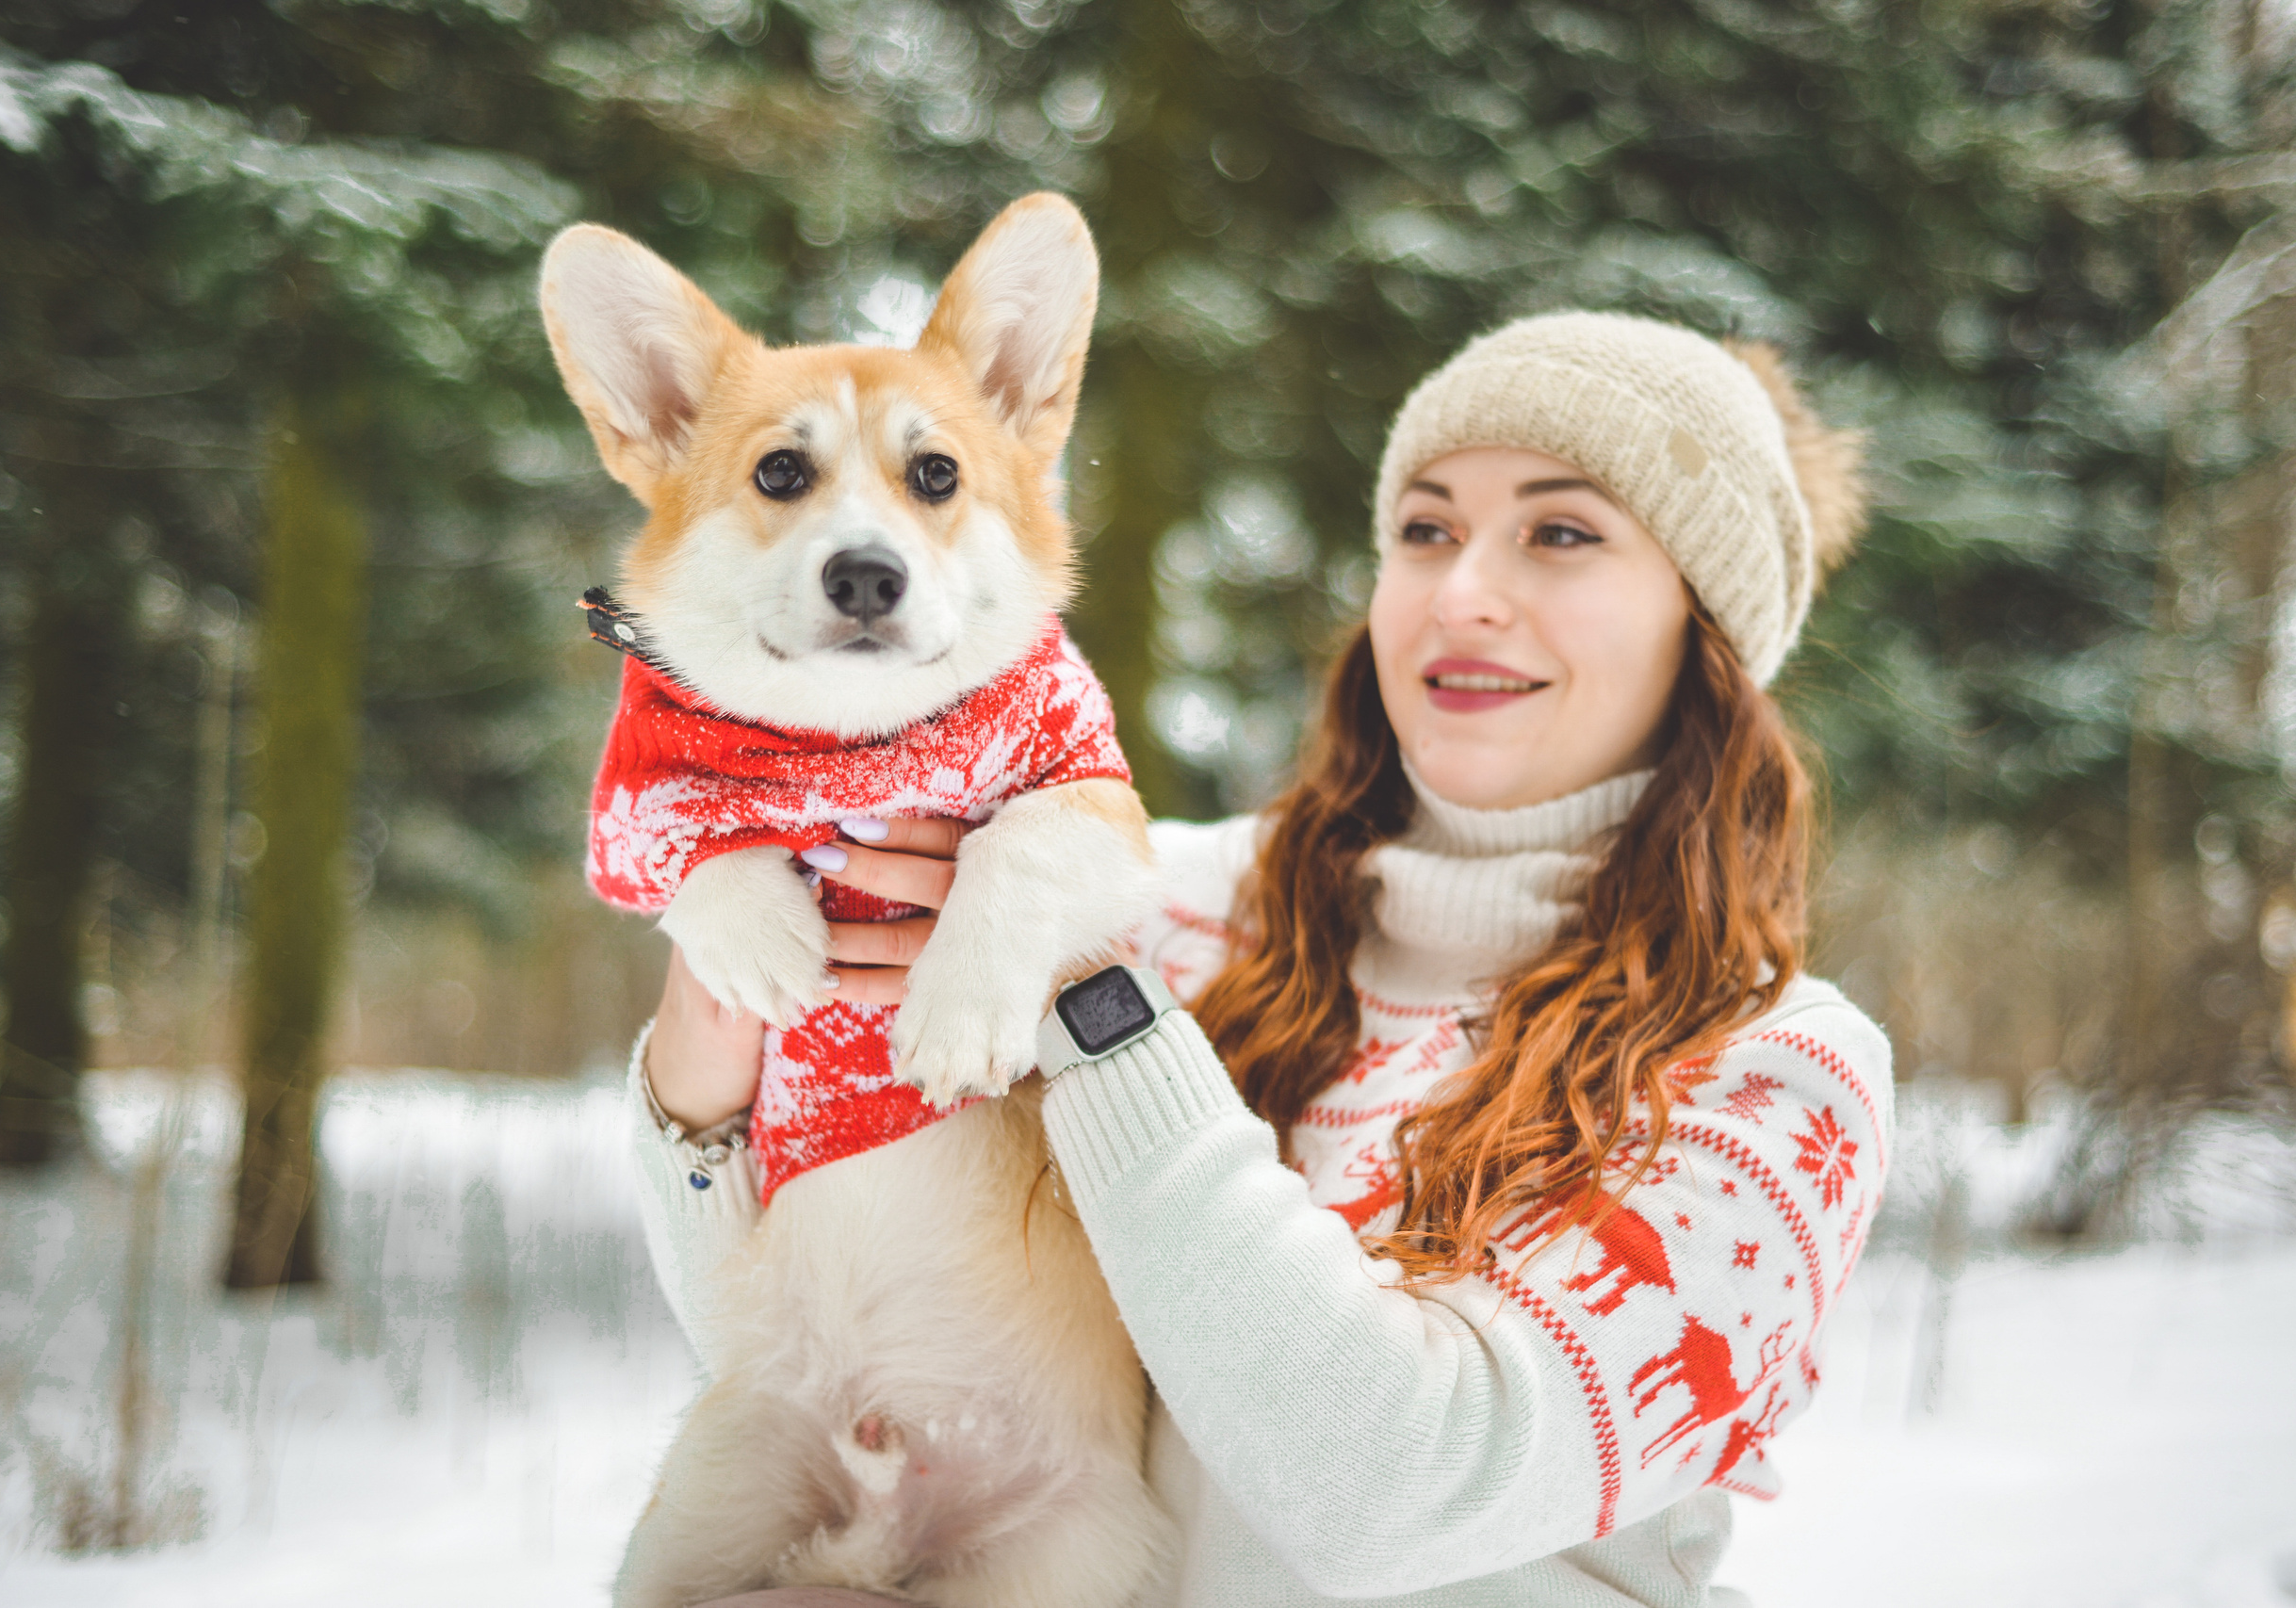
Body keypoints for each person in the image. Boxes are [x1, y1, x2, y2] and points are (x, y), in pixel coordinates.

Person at [627, 311, 1893, 1607]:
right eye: (1426, 531)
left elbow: (1386, 1498)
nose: (1463, 592)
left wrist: (1096, 1020)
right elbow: (834, 1321)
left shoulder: (1777, 1080)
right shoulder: (1157, 898)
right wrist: (694, 1108)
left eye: (1561, 533)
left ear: (1707, 624)